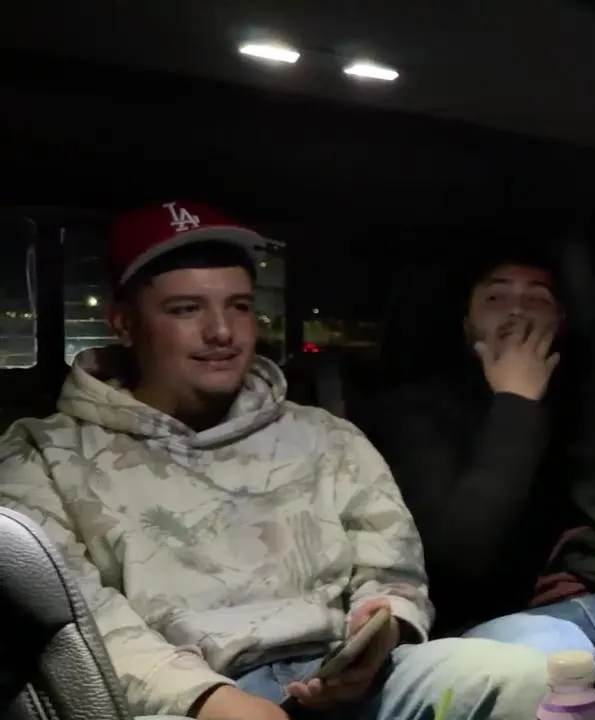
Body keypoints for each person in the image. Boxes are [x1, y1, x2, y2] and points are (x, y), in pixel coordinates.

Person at [0, 201, 557, 720]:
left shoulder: (326, 436)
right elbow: (76, 620)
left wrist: (383, 628)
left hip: (342, 680)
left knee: (514, 674)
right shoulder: (42, 456)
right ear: (124, 322)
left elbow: (393, 570)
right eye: (186, 309)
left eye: (239, 306)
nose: (222, 332)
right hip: (184, 700)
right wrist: (212, 700)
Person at [359, 247, 595, 708]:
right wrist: (516, 403)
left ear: (561, 320)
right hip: (486, 629)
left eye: (537, 299)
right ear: (467, 323)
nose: (517, 311)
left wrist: (593, 572)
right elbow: (458, 562)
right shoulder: (413, 414)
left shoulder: (592, 403)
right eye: (496, 298)